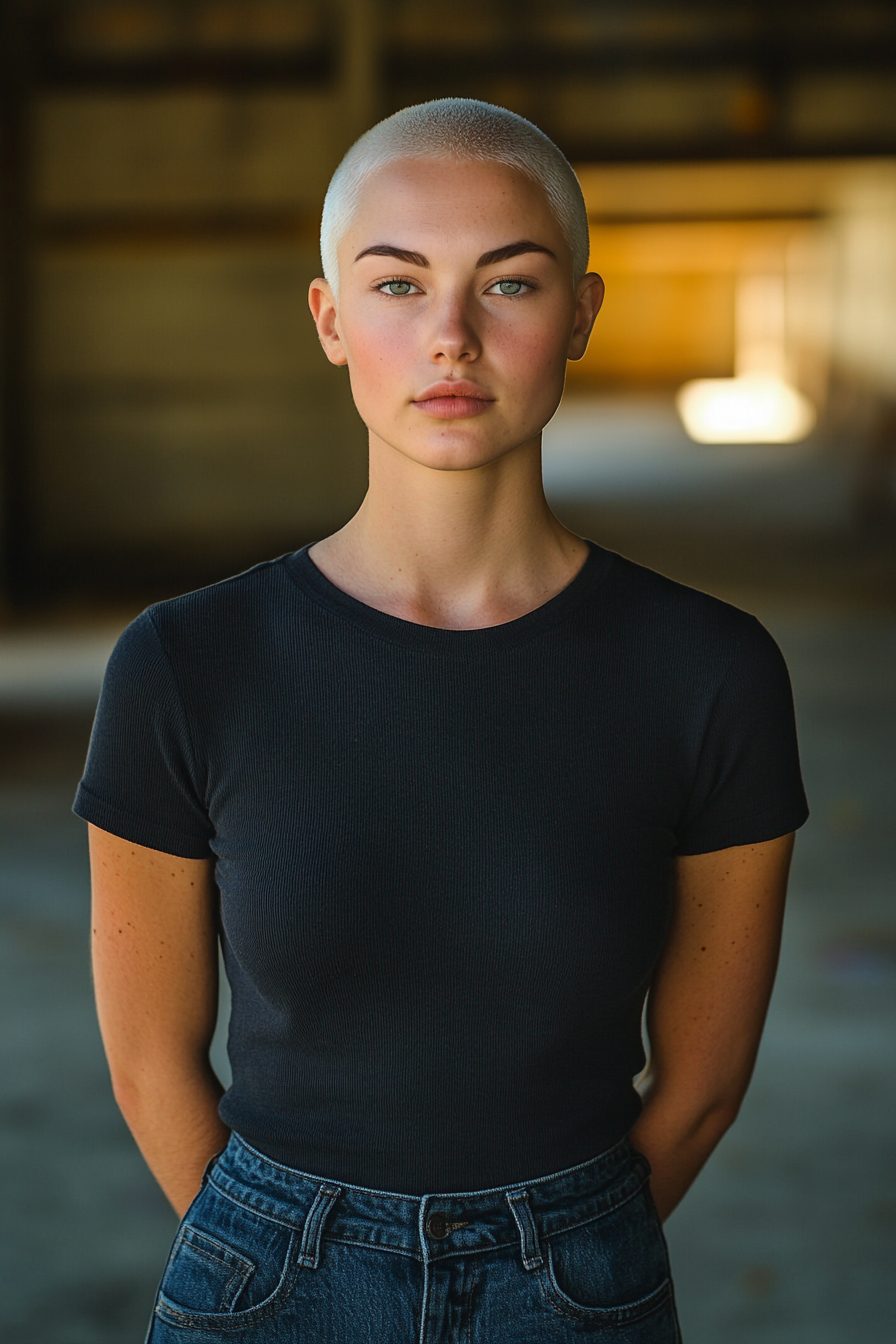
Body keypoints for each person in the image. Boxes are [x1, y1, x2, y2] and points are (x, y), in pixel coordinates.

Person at [76, 98, 808, 1343]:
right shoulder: (187, 664)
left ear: (579, 312)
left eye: (507, 285)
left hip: (578, 1279)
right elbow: (152, 1067)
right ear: (328, 320)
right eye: (398, 286)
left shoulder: (709, 670)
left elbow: (698, 1089)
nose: (451, 338)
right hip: (262, 1278)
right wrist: (274, 1258)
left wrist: (567, 1255)